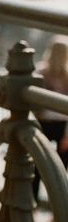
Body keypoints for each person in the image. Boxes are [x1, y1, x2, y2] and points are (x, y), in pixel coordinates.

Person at [34, 40, 68, 201]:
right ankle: (48, 207)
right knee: (43, 167)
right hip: (48, 123)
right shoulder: (42, 73)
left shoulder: (65, 76)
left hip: (58, 125)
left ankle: (55, 211)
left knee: (57, 169)